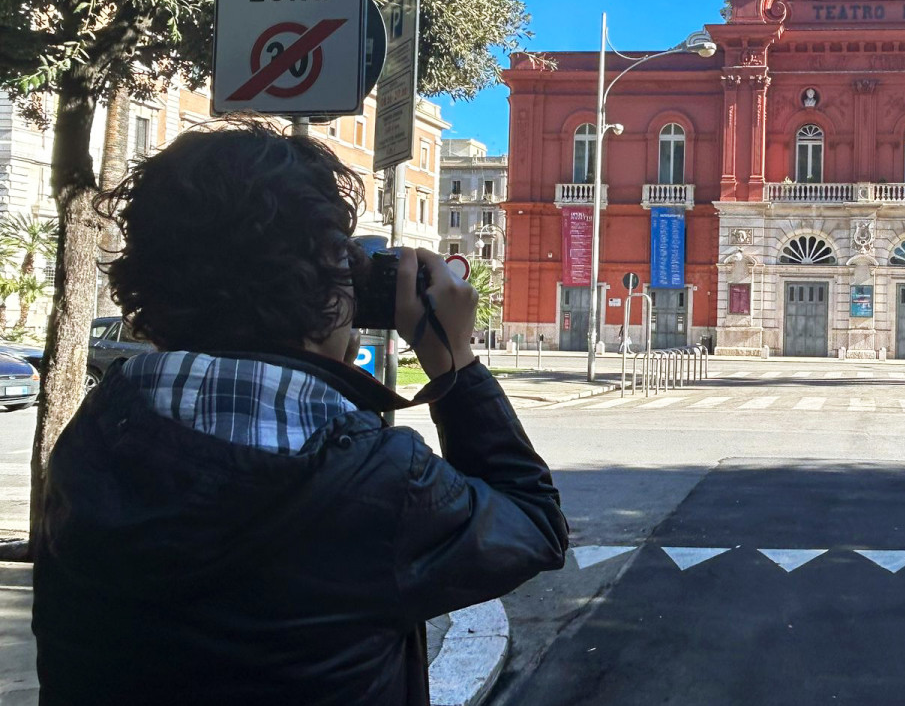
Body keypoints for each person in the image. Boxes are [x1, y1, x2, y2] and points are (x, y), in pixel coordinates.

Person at [32, 121, 568, 705]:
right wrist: (455, 360)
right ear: (326, 283)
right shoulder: (378, 479)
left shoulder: (96, 434)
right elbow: (534, 525)